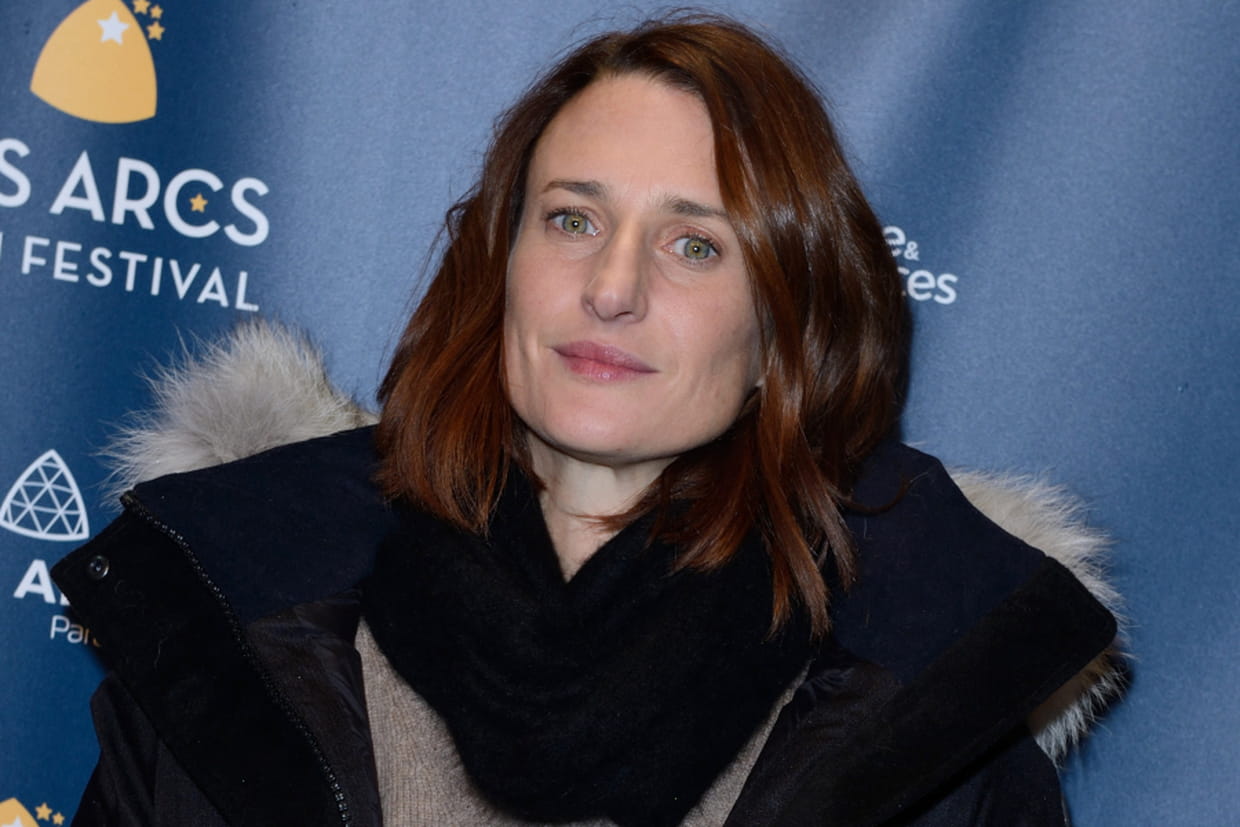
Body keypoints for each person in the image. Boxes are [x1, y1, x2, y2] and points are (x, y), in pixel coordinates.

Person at [54, 13, 1120, 826]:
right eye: (572, 219)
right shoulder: (231, 617)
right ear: (499, 267)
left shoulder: (935, 700)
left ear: (783, 334)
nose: (612, 287)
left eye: (695, 244)